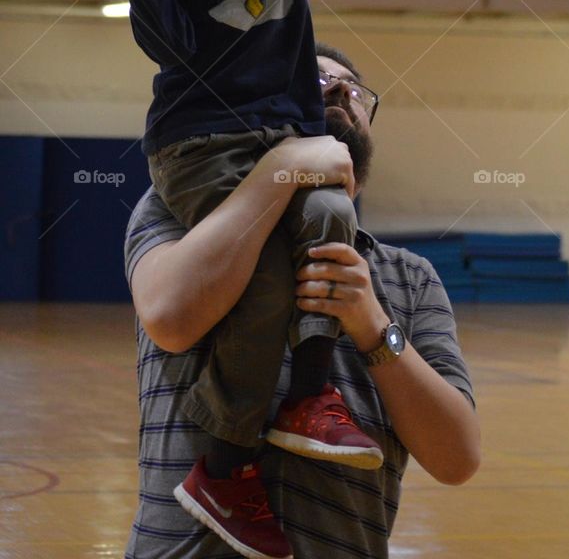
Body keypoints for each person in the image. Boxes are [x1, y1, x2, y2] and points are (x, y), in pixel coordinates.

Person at [60, 0, 380, 559]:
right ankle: (225, 463)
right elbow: (165, 43)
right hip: (201, 143)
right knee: (263, 277)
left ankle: (312, 397)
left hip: (283, 135)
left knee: (333, 213)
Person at [125, 43, 481, 559]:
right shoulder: (179, 213)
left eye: (354, 90)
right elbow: (170, 319)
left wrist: (373, 325)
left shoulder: (411, 277)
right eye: (314, 80)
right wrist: (280, 167)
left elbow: (457, 459)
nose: (340, 90)